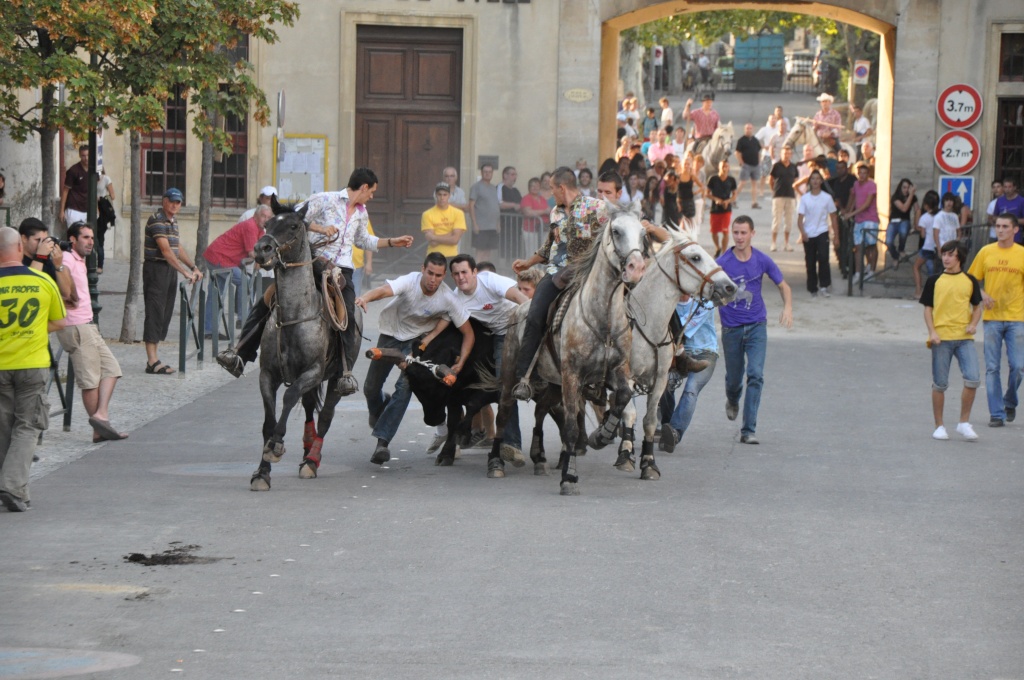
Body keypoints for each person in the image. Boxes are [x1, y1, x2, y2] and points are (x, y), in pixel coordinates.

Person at [216, 168, 414, 390]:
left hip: (343, 270)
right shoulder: (325, 199)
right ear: (364, 187)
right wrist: (321, 228)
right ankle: (240, 354)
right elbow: (294, 219)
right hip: (313, 263)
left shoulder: (361, 212)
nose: (372, 196)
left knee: (349, 313)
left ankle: (345, 373)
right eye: (373, 191)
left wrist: (391, 241)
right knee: (267, 299)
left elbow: (363, 240)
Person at [355, 252, 473, 465]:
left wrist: (461, 361)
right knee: (371, 387)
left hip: (417, 344)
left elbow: (469, 333)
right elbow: (384, 290)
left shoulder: (448, 298)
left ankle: (382, 442)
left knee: (404, 389)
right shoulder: (409, 281)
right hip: (391, 335)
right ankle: (380, 408)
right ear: (422, 269)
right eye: (430, 273)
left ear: (444, 275)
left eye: (438, 275)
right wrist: (365, 298)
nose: (433, 279)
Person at [510, 167, 610, 401]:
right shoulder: (555, 212)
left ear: (561, 187)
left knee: (617, 312)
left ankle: (607, 377)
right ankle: (525, 377)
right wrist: (527, 263)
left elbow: (616, 232)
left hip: (588, 276)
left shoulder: (597, 207)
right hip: (555, 274)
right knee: (534, 315)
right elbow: (549, 247)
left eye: (552, 188)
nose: (550, 193)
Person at [0, 226, 66, 511]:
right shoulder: (41, 280)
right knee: (28, 426)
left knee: (3, 427)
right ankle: (12, 486)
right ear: (19, 249)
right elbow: (60, 321)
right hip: (33, 363)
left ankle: (11, 486)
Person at [717, 216, 793, 444]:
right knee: (734, 379)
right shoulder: (722, 262)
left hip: (757, 325)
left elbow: (783, 285)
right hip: (731, 329)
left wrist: (787, 307)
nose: (739, 237)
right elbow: (706, 287)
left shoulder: (761, 260)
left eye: (743, 233)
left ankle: (748, 430)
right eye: (736, 232)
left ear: (752, 234)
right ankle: (732, 398)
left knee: (756, 375)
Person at [447, 254, 528, 452]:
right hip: (490, 336)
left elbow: (521, 299)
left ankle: (512, 443)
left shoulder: (491, 281)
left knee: (505, 384)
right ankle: (457, 434)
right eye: (456, 274)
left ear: (475, 272)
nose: (461, 277)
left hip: (516, 329)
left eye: (465, 272)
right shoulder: (455, 298)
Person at [55, 222, 128, 443]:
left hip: (87, 324)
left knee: (112, 369)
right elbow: (62, 286)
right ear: (73, 239)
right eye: (85, 237)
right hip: (75, 325)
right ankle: (98, 428)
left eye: (92, 238)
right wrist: (70, 298)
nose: (90, 242)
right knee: (90, 381)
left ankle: (100, 416)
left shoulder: (79, 260)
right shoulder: (66, 259)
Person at [920, 240, 982, 441]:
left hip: (964, 338)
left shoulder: (970, 280)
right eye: (944, 254)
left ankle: (964, 423)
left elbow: (977, 307)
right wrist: (932, 332)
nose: (945, 258)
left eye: (950, 255)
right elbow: (927, 309)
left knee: (973, 379)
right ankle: (939, 426)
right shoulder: (934, 280)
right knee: (940, 383)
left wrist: (973, 324)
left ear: (960, 258)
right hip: (942, 338)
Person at [967, 213, 1024, 427]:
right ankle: (997, 413)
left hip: (1017, 317)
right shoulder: (986, 252)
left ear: (1015, 230)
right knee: (992, 367)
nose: (1000, 230)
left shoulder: (1021, 254)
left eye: (1005, 226)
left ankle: (1009, 400)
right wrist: (981, 294)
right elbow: (971, 279)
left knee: (1018, 367)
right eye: (998, 226)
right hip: (992, 318)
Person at [143, 188, 202, 375]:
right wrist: (185, 272)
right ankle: (152, 361)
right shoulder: (156, 220)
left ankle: (155, 357)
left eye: (178, 202)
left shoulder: (173, 221)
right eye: (172, 201)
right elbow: (166, 251)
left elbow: (177, 248)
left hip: (168, 271)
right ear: (164, 201)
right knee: (154, 311)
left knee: (165, 313)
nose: (175, 205)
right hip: (156, 269)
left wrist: (193, 267)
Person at [658, 293, 718, 453]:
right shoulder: (669, 300)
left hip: (705, 353)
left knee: (691, 390)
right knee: (665, 384)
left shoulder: (705, 302)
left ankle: (675, 432)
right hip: (678, 354)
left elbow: (682, 328)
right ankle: (666, 427)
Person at [201, 205, 271, 335]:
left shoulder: (261, 230)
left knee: (216, 293)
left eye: (268, 217)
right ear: (255, 216)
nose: (265, 219)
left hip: (219, 257)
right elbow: (252, 253)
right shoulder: (250, 226)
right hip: (220, 258)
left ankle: (209, 330)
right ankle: (244, 322)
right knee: (245, 281)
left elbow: (259, 251)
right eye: (263, 216)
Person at [797, 170, 838, 297]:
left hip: (822, 231)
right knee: (810, 261)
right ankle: (812, 287)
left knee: (824, 258)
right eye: (813, 179)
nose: (815, 181)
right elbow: (800, 219)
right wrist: (803, 232)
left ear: (821, 181)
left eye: (817, 178)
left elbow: (833, 217)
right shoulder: (805, 198)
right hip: (809, 233)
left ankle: (824, 285)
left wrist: (836, 235)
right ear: (810, 181)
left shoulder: (827, 198)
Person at [18, 218, 74, 301]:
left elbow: (66, 293)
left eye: (45, 240)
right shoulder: (17, 261)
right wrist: (39, 256)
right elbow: (29, 288)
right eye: (38, 240)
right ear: (24, 239)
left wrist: (59, 266)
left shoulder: (46, 260)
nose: (43, 244)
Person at [844, 163, 879, 284]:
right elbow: (853, 198)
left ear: (868, 174)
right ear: (857, 174)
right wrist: (847, 211)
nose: (862, 175)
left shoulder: (872, 185)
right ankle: (858, 273)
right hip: (859, 220)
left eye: (865, 173)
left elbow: (867, 204)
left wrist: (851, 214)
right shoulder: (856, 184)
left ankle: (871, 271)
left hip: (870, 219)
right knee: (858, 247)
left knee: (871, 246)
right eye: (860, 173)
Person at [826, 159, 856, 279]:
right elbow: (836, 198)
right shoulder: (836, 182)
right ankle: (843, 266)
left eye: (842, 168)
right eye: (837, 168)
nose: (839, 170)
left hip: (852, 214)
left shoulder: (852, 180)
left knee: (850, 243)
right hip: (839, 214)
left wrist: (847, 210)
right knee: (840, 241)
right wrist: (840, 208)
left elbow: (854, 195)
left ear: (846, 168)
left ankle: (851, 267)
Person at [421, 182, 466, 261]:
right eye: (439, 194)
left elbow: (455, 240)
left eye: (445, 195)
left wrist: (434, 237)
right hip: (433, 256)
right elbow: (432, 243)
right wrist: (450, 234)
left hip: (451, 255)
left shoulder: (458, 213)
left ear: (449, 195)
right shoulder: (427, 214)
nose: (442, 198)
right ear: (436, 195)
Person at [769, 145, 799, 252]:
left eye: (788, 153)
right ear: (781, 154)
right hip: (778, 195)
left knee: (789, 220)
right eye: (784, 153)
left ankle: (786, 243)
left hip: (790, 195)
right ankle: (773, 242)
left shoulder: (793, 167)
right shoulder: (776, 166)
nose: (786, 155)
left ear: (791, 154)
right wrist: (774, 190)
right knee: (777, 219)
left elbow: (796, 180)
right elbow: (771, 180)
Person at [468, 163, 500, 261]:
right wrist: (474, 224)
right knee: (480, 253)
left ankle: (485, 272)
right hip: (481, 226)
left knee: (488, 253)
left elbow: (496, 206)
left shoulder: (494, 188)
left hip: (492, 226)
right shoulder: (476, 187)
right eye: (485, 172)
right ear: (481, 173)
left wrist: (498, 224)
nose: (487, 174)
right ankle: (476, 274)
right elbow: (471, 205)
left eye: (490, 172)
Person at [913, 190, 941, 299]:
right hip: (938, 245)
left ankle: (919, 290)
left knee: (916, 266)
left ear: (926, 205)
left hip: (928, 246)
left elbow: (923, 235)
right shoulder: (940, 215)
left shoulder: (924, 218)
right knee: (936, 270)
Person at [706, 159, 737, 258]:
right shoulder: (713, 179)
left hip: (726, 208)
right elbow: (707, 193)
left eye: (726, 166)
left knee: (725, 231)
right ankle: (717, 247)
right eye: (723, 166)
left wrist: (729, 200)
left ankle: (724, 252)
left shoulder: (731, 180)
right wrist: (715, 199)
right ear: (719, 167)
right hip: (715, 208)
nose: (725, 168)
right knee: (714, 231)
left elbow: (734, 195)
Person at [886, 178, 918, 266]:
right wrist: (911, 195)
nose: (906, 190)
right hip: (893, 221)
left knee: (903, 232)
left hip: (905, 221)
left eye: (908, 188)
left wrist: (915, 226)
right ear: (900, 187)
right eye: (904, 187)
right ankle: (895, 256)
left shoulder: (913, 197)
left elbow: (917, 210)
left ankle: (901, 249)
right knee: (888, 241)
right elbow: (904, 208)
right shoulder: (895, 197)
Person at [59, 145, 90, 227]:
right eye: (83, 155)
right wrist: (62, 211)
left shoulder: (94, 170)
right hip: (74, 209)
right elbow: (65, 190)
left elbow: (95, 190)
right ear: (79, 155)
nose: (86, 158)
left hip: (87, 210)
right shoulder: (73, 171)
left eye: (88, 155)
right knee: (74, 236)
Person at [734, 123, 763, 210]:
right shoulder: (741, 140)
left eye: (750, 128)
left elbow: (758, 151)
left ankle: (754, 202)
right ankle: (733, 200)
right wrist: (741, 162)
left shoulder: (755, 140)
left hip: (755, 165)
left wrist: (759, 161)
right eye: (747, 128)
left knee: (754, 184)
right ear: (744, 129)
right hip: (746, 165)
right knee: (742, 183)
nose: (748, 130)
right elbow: (737, 152)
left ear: (752, 129)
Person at [95, 167, 116, 274]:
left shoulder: (106, 179)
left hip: (102, 212)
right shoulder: (89, 179)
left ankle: (100, 265)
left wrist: (101, 198)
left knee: (99, 239)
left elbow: (112, 196)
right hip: (91, 210)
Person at [993, 176, 1024, 245]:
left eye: (1009, 187)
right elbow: (994, 217)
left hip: (1016, 238)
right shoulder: (999, 200)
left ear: (1014, 187)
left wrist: (1012, 220)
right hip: (1001, 237)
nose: (1007, 189)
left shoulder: (1021, 201)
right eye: (1005, 187)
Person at [350, 220, 375, 296]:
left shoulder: (362, 215)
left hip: (356, 266)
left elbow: (368, 241)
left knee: (355, 297)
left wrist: (369, 263)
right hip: (336, 264)